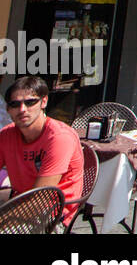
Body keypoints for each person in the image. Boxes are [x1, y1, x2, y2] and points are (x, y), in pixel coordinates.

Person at [0, 76, 85, 227]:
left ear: (43, 102)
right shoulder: (7, 135)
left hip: (52, 214)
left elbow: (40, 200)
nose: (22, 109)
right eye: (15, 104)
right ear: (8, 110)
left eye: (30, 102)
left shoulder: (59, 138)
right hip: (18, 199)